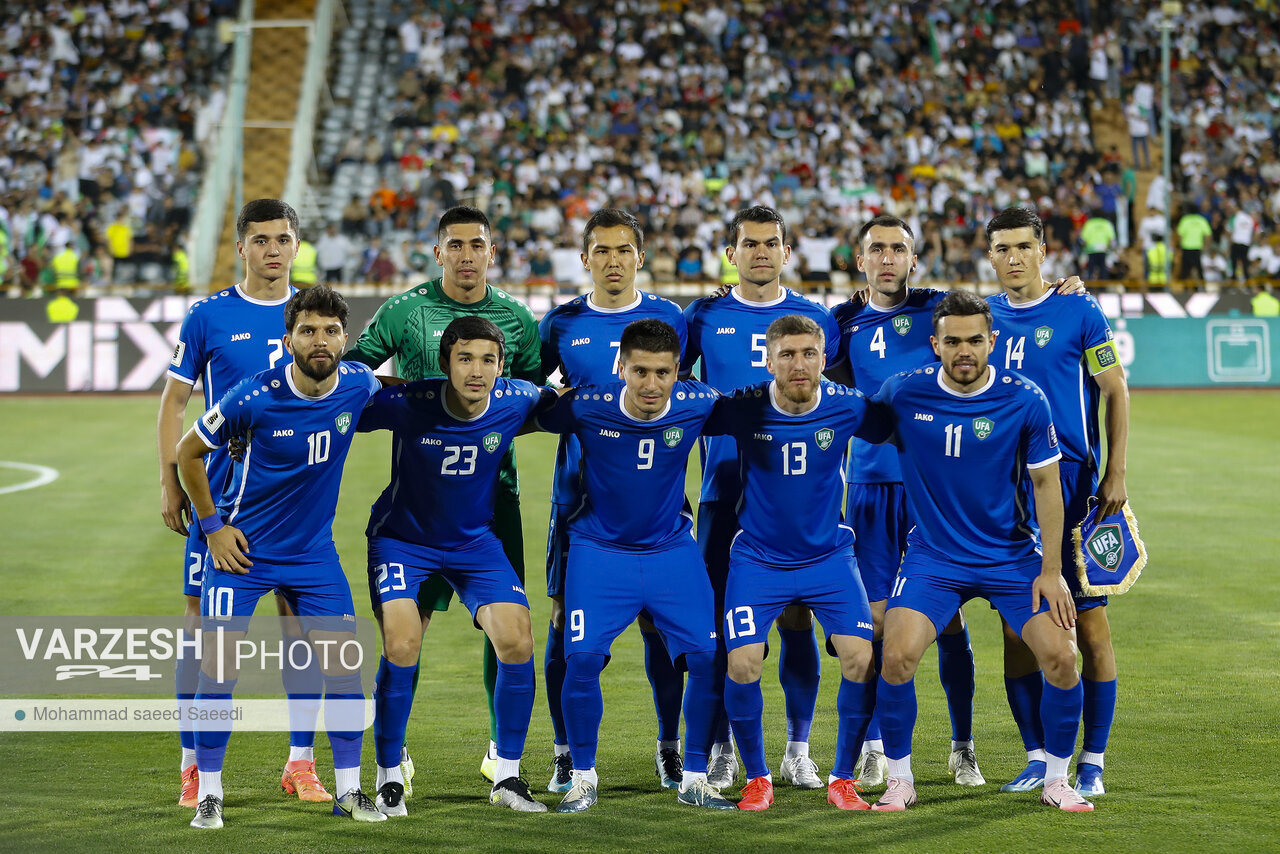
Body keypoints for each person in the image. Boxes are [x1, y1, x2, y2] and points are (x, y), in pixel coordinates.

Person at [865, 290, 1094, 814]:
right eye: (952, 341)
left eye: (974, 340)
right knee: (896, 657)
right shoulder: (901, 392)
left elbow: (1046, 487)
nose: (963, 350)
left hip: (1012, 556)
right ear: (934, 344)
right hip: (933, 558)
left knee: (1062, 658)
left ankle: (1058, 780)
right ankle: (900, 780)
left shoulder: (1025, 398)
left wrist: (1053, 570)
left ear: (992, 341)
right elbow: (840, 418)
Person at [344, 205, 543, 787]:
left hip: (493, 496)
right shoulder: (404, 311)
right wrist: (420, 398)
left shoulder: (514, 316)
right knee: (409, 633)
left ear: (491, 251)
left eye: (475, 245)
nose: (465, 255)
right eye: (454, 245)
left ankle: (499, 756)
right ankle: (391, 758)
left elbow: (537, 396)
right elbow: (354, 373)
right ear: (438, 252)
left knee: (510, 628)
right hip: (418, 500)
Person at [175, 286, 386, 828]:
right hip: (242, 554)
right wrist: (213, 528)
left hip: (313, 556)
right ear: (289, 338)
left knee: (344, 670)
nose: (321, 340)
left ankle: (349, 790)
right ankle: (210, 793)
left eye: (332, 331)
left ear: (346, 339)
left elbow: (405, 397)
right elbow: (188, 453)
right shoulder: (253, 396)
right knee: (219, 670)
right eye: (309, 330)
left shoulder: (359, 384)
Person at [157, 199, 326, 810]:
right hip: (221, 500)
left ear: (297, 245)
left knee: (299, 631)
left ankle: (301, 763)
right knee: (203, 633)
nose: (273, 250)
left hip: (295, 504)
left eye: (284, 239)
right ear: (242, 247)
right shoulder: (209, 315)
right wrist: (169, 479)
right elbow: (174, 404)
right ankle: (193, 768)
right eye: (261, 240)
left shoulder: (313, 315)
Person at [536, 319, 733, 813]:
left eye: (663, 373)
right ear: (620, 367)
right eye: (640, 371)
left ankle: (693, 775)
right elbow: (520, 409)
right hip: (599, 552)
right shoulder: (585, 403)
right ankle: (583, 777)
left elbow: (761, 409)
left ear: (677, 372)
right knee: (580, 661)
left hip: (670, 549)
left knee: (708, 659)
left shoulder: (699, 402)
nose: (651, 385)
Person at [360, 317, 550, 815]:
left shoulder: (517, 398)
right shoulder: (410, 403)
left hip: (474, 544)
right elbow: (338, 407)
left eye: (488, 360)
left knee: (517, 638)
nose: (476, 371)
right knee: (402, 641)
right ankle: (387, 775)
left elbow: (571, 409)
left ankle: (507, 775)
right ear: (446, 362)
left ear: (501, 366)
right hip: (402, 541)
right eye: (465, 358)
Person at [682, 205, 843, 791]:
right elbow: (668, 393)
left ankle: (798, 747)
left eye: (771, 243)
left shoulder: (814, 316)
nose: (760, 253)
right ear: (731, 253)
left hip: (799, 498)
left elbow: (841, 394)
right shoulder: (702, 316)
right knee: (728, 626)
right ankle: (725, 745)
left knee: (798, 619)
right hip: (723, 493)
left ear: (786, 251)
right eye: (748, 244)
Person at [827, 215, 983, 789]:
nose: (888, 258)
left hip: (937, 490)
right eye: (877, 249)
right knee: (873, 622)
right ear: (859, 259)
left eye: (899, 249)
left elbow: (1004, 317)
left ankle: (962, 745)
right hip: (869, 485)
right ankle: (873, 744)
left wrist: (1067, 286)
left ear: (914, 260)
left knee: (947, 619)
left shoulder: (940, 310)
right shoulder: (841, 323)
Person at [538, 210, 690, 794]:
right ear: (585, 259)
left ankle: (670, 748)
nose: (613, 261)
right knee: (564, 630)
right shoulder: (562, 324)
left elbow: (690, 393)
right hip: (577, 506)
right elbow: (535, 399)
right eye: (601, 251)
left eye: (623, 250)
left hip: (655, 505)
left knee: (661, 627)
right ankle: (563, 751)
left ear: (640, 256)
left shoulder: (671, 319)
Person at [703, 314, 878, 812]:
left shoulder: (848, 406)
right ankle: (757, 776)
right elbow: (677, 415)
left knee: (861, 659)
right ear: (768, 359)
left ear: (825, 359)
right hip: (758, 558)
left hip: (828, 557)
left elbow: (906, 429)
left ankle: (841, 778)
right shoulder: (744, 407)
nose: (798, 365)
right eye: (787, 355)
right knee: (741, 663)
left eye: (808, 354)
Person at [985, 206, 1130, 799]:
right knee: (1018, 630)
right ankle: (1038, 755)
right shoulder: (979, 315)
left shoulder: (1079, 309)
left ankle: (1091, 759)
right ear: (990, 255)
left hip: (1070, 485)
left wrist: (1115, 471)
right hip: (1001, 485)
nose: (1013, 257)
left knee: (1088, 626)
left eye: (1023, 246)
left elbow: (1114, 389)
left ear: (1044, 251)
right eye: (1001, 248)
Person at [1175, 205, 1213, 282]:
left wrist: (1179, 246)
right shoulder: (1201, 220)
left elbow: (1179, 235)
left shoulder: (1185, 220)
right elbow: (1208, 235)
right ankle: (1202, 288)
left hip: (1186, 247)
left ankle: (1184, 289)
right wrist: (1206, 246)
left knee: (1185, 270)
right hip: (1197, 247)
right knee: (1199, 270)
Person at [1079, 209, 1115, 282]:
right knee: (1103, 269)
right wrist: (1110, 248)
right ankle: (1102, 288)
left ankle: (1090, 288)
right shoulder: (1107, 223)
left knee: (1091, 270)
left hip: (1091, 249)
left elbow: (1083, 239)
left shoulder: (1089, 223)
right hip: (1103, 249)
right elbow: (1111, 239)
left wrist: (1084, 248)